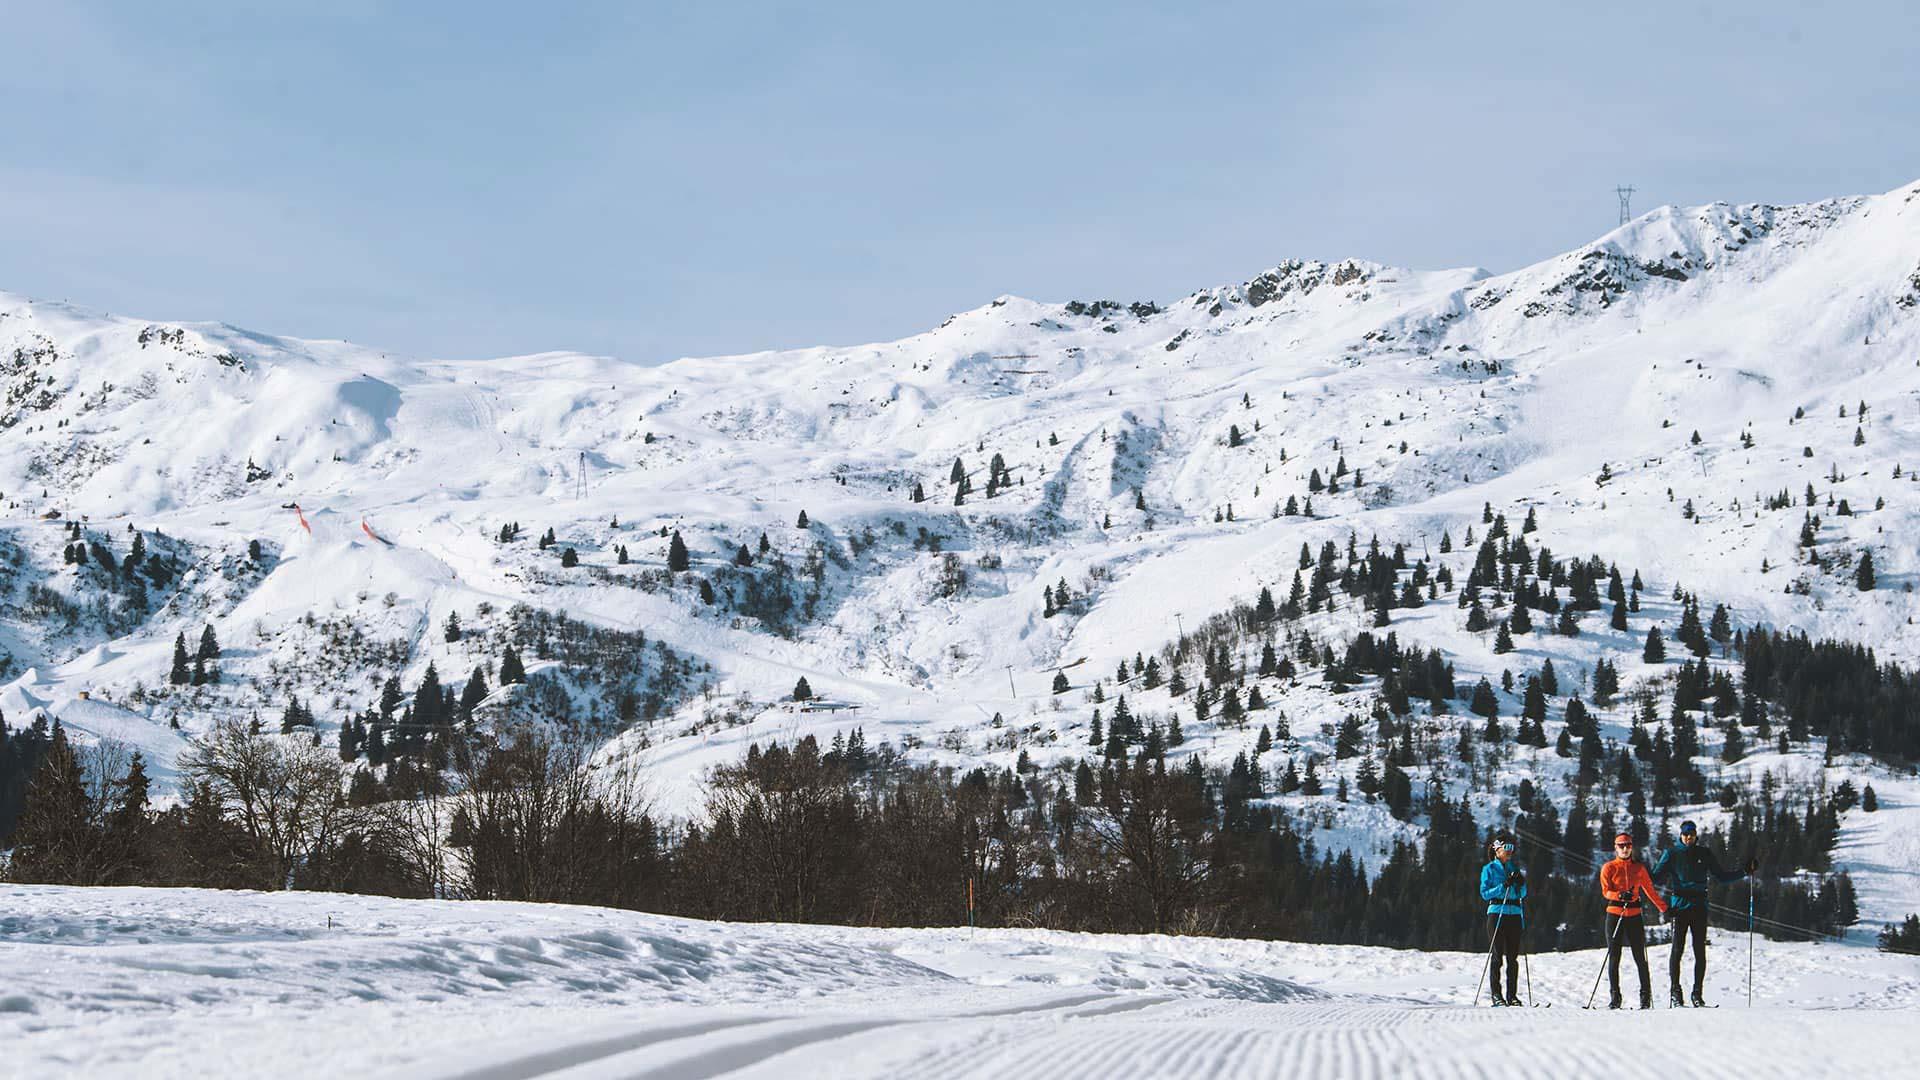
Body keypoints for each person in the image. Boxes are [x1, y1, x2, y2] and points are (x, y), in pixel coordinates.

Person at [1652, 819, 1756, 1006]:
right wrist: (1635, 870)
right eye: (1685, 834)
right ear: (1680, 835)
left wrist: (1744, 872)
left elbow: (1722, 876)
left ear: (1696, 836)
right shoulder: (1672, 853)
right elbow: (1655, 877)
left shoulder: (1704, 853)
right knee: (1677, 950)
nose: (1688, 837)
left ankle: (1697, 994)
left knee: (1699, 952)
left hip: (1699, 906)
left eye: (1691, 834)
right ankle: (1676, 992)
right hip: (1680, 907)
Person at [1599, 831, 1668, 1009]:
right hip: (1615, 913)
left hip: (1634, 915)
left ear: (1632, 847)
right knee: (1614, 957)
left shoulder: (1639, 868)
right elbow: (1606, 891)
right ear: (1615, 848)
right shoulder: (1608, 867)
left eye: (1628, 845)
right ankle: (1615, 997)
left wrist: (1665, 908)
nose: (1625, 849)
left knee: (1640, 957)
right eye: (1621, 846)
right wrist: (1620, 894)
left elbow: (1650, 891)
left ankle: (1645, 997)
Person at [1478, 831, 1528, 1006]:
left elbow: (1523, 893)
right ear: (1497, 850)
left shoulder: (1514, 869)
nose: (1509, 851)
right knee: (1498, 955)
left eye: (1512, 848)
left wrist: (1520, 884)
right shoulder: (1489, 869)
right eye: (1506, 848)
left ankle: (1512, 996)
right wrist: (1502, 886)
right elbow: (1484, 893)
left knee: (1512, 958)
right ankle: (1496, 995)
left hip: (1514, 913)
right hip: (1497, 912)